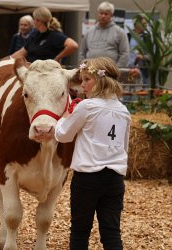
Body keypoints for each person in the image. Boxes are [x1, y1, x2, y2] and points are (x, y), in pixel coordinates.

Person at [54, 57, 131, 250]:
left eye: (87, 79)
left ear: (100, 80)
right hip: (115, 179)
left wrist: (63, 118)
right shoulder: (124, 111)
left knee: (80, 232)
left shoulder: (87, 106)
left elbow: (63, 135)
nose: (82, 84)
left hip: (87, 178)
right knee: (111, 233)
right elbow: (124, 146)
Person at [11, 7, 78, 64]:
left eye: (34, 19)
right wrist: (5, 61)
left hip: (47, 74)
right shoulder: (34, 34)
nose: (33, 22)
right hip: (33, 72)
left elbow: (73, 45)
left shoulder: (54, 35)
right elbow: (22, 52)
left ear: (38, 20)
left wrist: (58, 58)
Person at [79, 1, 129, 68]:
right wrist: (84, 67)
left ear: (111, 15)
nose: (103, 16)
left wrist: (116, 70)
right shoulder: (89, 32)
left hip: (110, 72)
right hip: (90, 72)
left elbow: (124, 54)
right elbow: (82, 53)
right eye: (101, 13)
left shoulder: (119, 32)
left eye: (106, 14)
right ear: (97, 14)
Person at [128, 15, 149, 85]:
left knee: (144, 93)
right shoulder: (128, 36)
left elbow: (153, 55)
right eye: (143, 24)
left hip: (144, 71)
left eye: (146, 24)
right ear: (136, 24)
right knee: (129, 92)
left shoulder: (148, 38)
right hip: (129, 70)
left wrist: (143, 57)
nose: (146, 25)